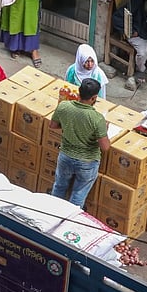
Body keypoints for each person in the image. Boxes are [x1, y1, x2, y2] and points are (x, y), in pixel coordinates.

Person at [49, 78, 110, 207]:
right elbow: (105, 147)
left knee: (59, 187)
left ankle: (51, 214)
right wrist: (105, 130)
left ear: (79, 92)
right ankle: (70, 222)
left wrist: (68, 125)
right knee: (78, 194)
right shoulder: (97, 119)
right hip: (87, 162)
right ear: (94, 98)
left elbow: (53, 125)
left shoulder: (64, 106)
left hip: (65, 156)